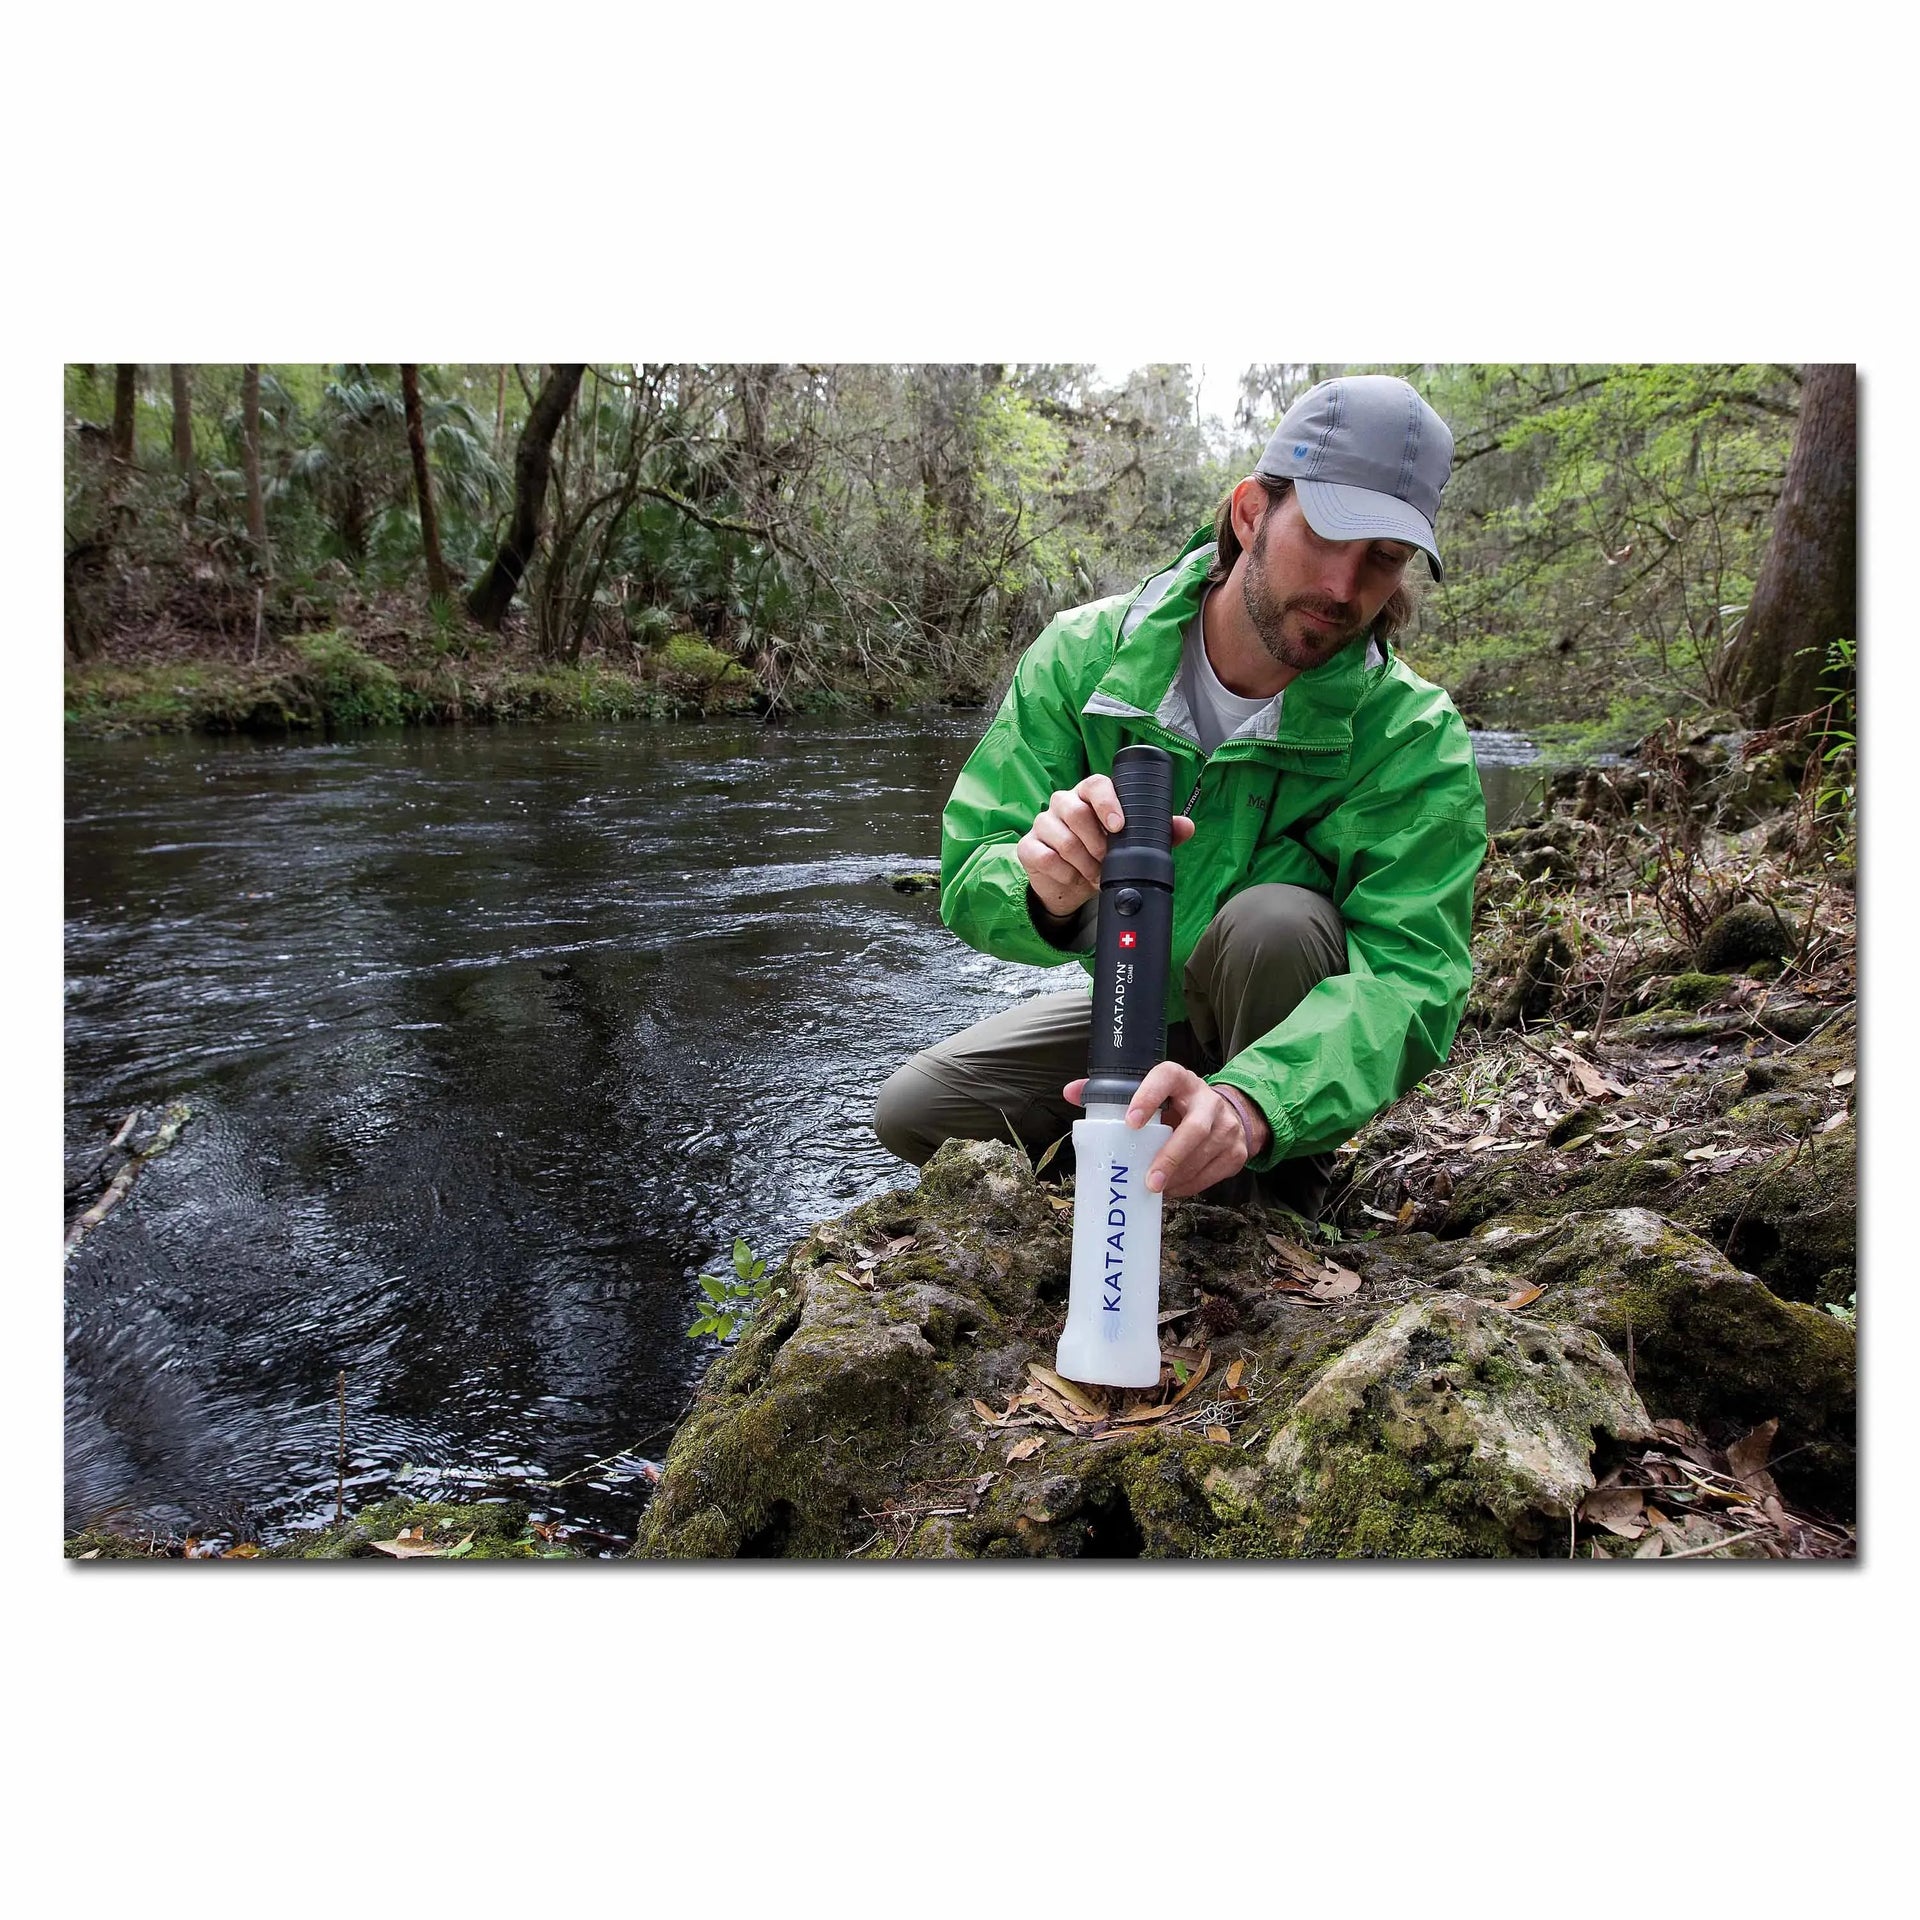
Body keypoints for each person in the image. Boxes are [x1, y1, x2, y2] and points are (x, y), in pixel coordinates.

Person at [874, 374, 1487, 1220]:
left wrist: (1254, 1100)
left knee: (1276, 923)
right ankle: (1136, 1161)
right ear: (1251, 513)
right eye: (1326, 536)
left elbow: (1412, 975)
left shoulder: (1413, 736)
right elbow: (973, 865)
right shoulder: (1084, 656)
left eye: (1383, 557)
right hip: (1133, 1011)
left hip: (1279, 1047)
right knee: (917, 1111)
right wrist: (1043, 892)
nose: (1345, 588)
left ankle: (1264, 1196)